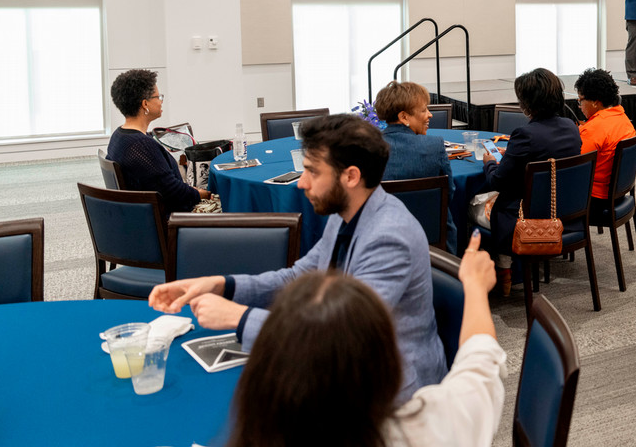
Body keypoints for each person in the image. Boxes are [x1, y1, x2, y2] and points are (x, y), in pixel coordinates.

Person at [148, 114, 447, 398]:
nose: (302, 182)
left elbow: (345, 335)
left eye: (312, 171)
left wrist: (238, 317)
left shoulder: (388, 236)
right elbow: (297, 277)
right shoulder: (347, 212)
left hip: (389, 394)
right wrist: (223, 285)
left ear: (351, 176)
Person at [225, 234, 505, 447]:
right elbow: (480, 361)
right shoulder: (431, 428)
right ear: (387, 364)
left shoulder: (256, 431)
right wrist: (474, 287)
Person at [482, 68, 581, 294]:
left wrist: (489, 162)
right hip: (566, 210)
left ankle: (502, 271)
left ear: (526, 103)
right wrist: (512, 155)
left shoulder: (525, 134)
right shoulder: (571, 128)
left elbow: (497, 182)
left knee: (473, 207)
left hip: (528, 216)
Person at [106, 69, 208, 212]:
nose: (161, 101)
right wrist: (201, 194)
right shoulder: (141, 145)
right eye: (158, 97)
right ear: (145, 104)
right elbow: (173, 193)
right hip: (173, 222)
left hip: (144, 216)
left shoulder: (118, 136)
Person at [375, 80, 458, 253]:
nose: (430, 115)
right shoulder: (434, 146)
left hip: (380, 240)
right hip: (433, 242)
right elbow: (448, 195)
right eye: (424, 110)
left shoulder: (366, 148)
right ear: (404, 117)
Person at [575, 68, 636, 204]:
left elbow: (575, 166)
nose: (580, 106)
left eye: (580, 100)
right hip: (618, 191)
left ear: (595, 102)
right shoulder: (622, 117)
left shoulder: (594, 128)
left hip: (595, 198)